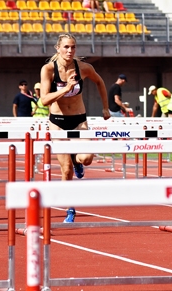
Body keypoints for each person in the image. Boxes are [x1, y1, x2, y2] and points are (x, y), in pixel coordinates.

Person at [38, 34, 110, 223]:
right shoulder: (48, 70)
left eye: (73, 47)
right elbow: (44, 100)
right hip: (58, 122)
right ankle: (70, 208)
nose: (70, 51)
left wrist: (105, 107)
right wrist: (66, 88)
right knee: (66, 169)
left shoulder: (84, 68)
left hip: (79, 119)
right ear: (58, 48)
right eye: (66, 47)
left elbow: (100, 82)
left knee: (86, 158)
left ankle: (78, 162)